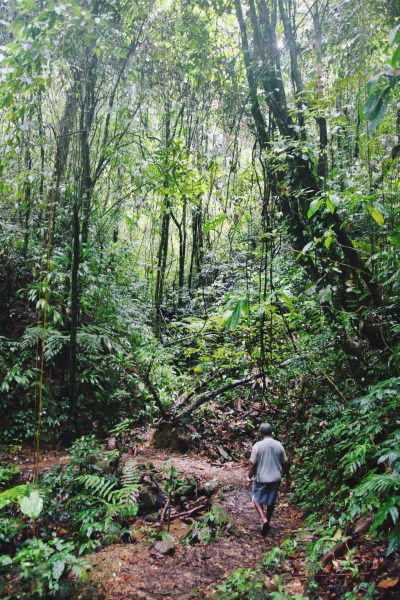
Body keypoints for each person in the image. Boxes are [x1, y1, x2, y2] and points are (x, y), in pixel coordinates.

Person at [245, 422, 289, 536]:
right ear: (271, 432)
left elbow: (252, 464)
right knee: (271, 500)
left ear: (261, 433)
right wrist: (288, 477)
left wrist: (248, 479)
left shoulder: (257, 446)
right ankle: (268, 521)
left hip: (261, 478)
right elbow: (285, 463)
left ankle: (263, 519)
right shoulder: (279, 445)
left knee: (256, 499)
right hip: (276, 478)